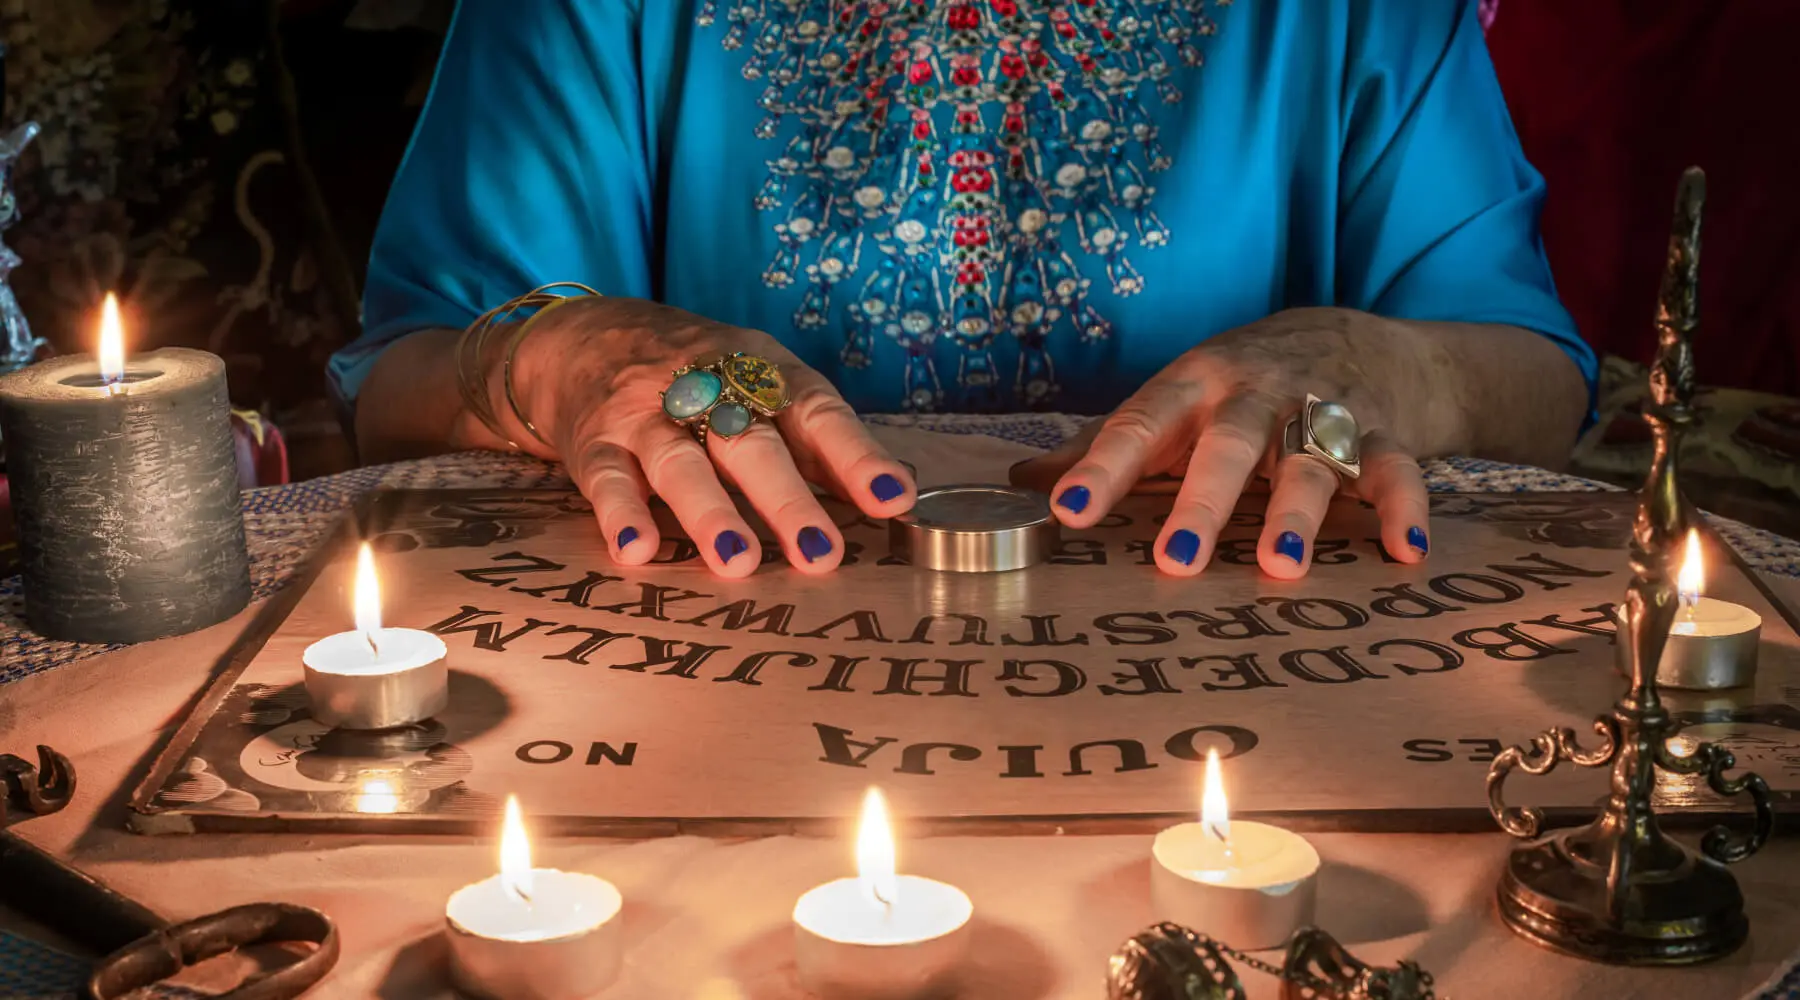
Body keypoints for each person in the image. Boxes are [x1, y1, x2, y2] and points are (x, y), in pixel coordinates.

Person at [333, 0, 1594, 582]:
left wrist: (1392, 368)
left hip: (1245, 650)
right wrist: (564, 361)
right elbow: (402, 378)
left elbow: (1535, 376)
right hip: (721, 642)